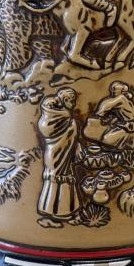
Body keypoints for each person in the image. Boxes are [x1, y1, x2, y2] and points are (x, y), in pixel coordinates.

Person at [36, 87, 80, 226]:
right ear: (65, 100)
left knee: (57, 180)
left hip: (58, 154)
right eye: (72, 101)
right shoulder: (63, 118)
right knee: (59, 180)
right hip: (58, 153)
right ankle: (59, 212)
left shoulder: (57, 117)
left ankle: (54, 210)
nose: (74, 104)